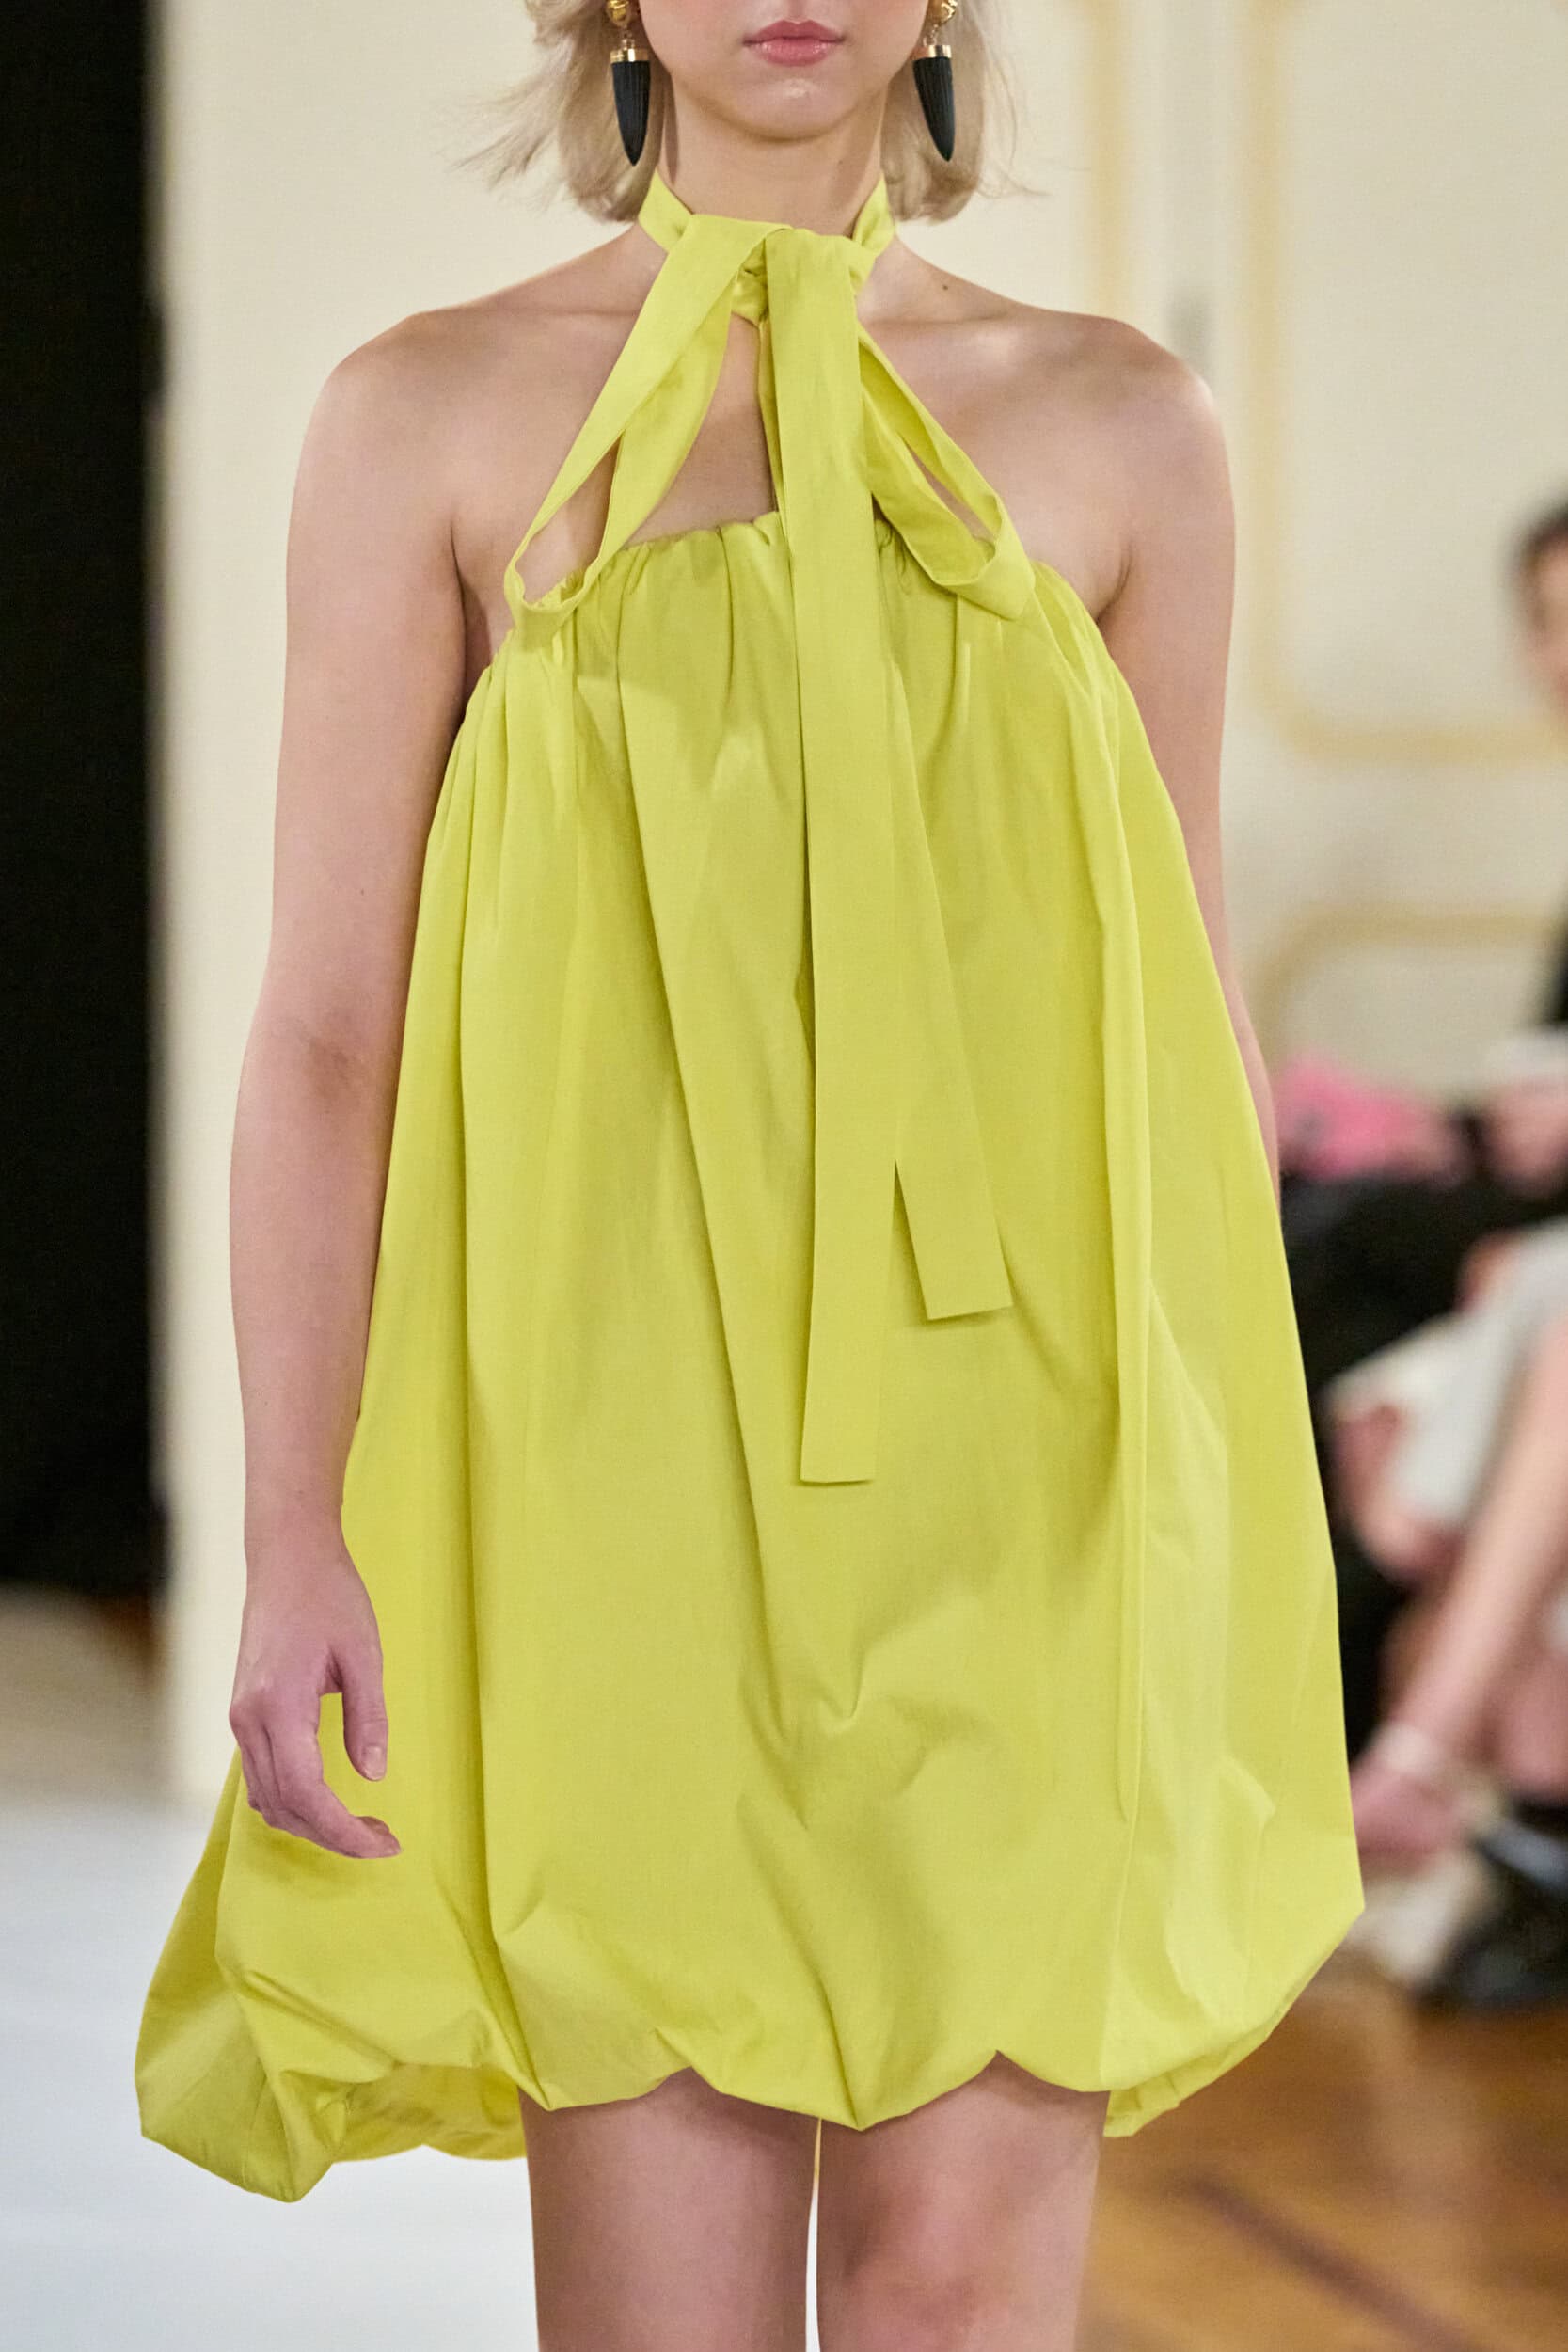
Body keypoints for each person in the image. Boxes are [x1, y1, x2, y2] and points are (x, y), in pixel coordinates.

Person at [135, 7, 1363, 2344]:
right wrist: (298, 1528)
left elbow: (1184, 1006)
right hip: (613, 1486)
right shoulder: (425, 413)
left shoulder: (1126, 424)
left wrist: (1232, 1518)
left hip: (1031, 1479)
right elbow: (324, 1032)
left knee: (956, 2302)